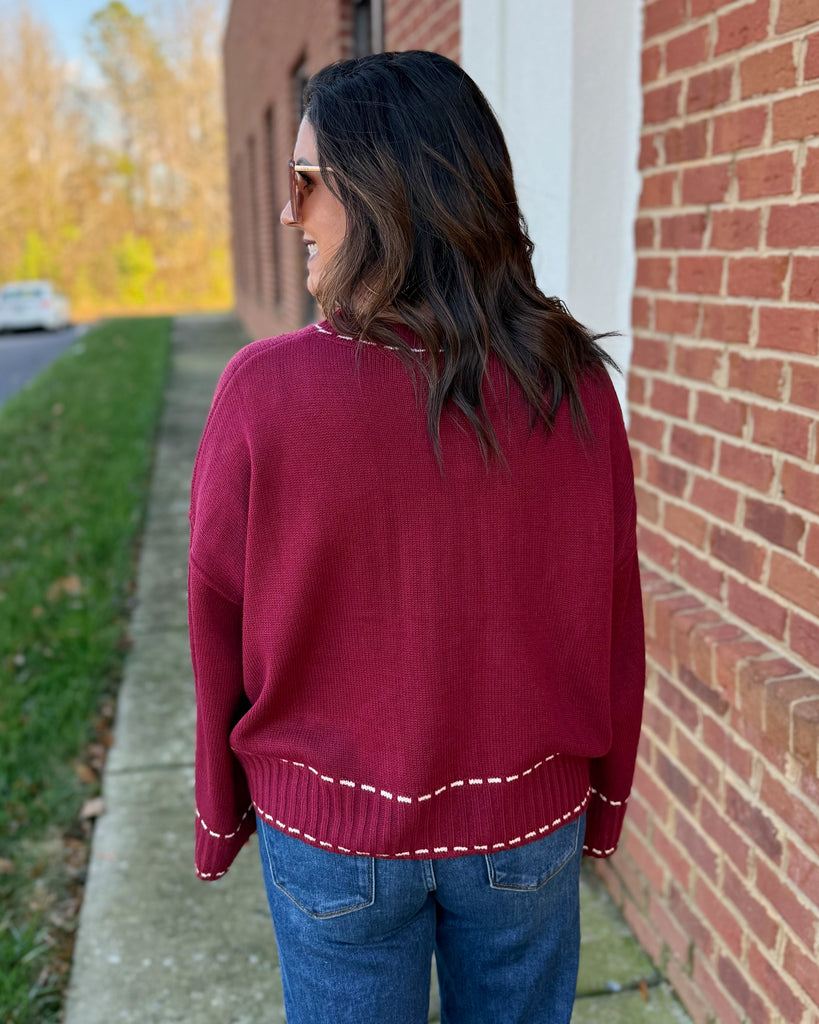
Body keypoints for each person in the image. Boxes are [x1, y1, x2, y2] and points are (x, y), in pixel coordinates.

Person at [188, 50, 645, 1024]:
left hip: (331, 831)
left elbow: (215, 615)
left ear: (382, 194)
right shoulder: (572, 384)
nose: (290, 213)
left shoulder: (264, 393)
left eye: (305, 181)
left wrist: (219, 812)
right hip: (525, 824)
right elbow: (614, 612)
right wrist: (607, 799)